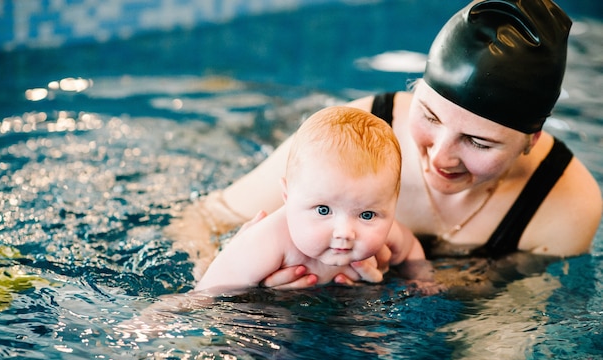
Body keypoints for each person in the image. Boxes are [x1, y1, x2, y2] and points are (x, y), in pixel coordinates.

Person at [167, 0, 602, 290]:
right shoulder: (357, 132)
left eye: (477, 141)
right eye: (429, 116)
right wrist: (237, 283)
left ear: (532, 139)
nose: (440, 155)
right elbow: (198, 218)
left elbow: (503, 320)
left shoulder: (562, 205)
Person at [194, 106, 426, 294]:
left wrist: (422, 282)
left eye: (366, 215)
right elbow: (205, 293)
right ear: (287, 197)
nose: (344, 232)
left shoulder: (388, 233)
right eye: (323, 210)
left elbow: (411, 249)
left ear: (392, 207)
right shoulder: (268, 241)